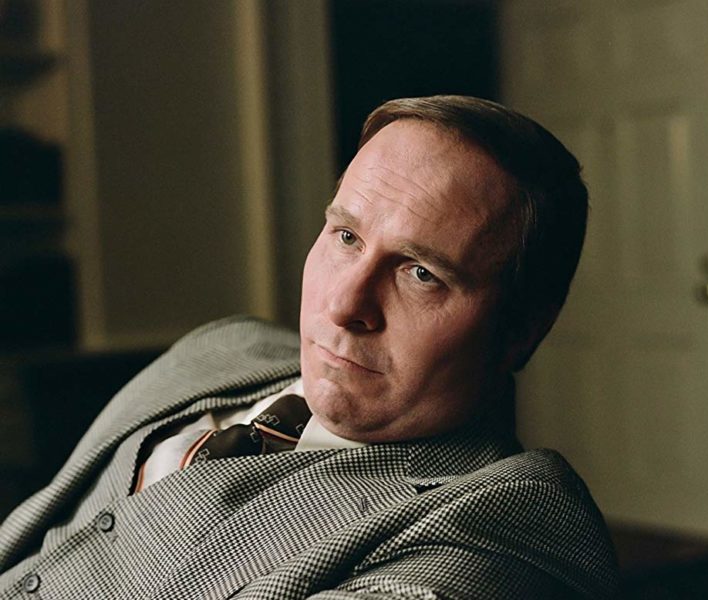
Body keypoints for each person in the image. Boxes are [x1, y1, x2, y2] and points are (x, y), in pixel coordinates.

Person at [0, 96, 618, 598]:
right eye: (347, 236)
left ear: (521, 330)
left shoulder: (506, 524)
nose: (345, 305)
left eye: (421, 273)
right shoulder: (226, 347)